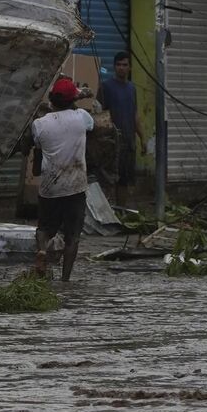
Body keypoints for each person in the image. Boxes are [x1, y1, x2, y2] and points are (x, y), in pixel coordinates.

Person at [30, 78, 95, 282]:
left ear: (51, 100)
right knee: (72, 236)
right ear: (72, 100)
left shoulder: (39, 125)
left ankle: (42, 250)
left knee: (44, 229)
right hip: (75, 187)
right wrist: (79, 96)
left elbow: (37, 152)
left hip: (50, 188)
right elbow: (92, 127)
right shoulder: (82, 117)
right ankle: (65, 280)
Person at [100, 52, 142, 203]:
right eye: (118, 65)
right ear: (114, 67)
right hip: (111, 142)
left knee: (124, 180)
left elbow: (135, 113)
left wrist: (142, 138)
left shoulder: (132, 88)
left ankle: (121, 213)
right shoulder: (106, 87)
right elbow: (100, 115)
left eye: (124, 65)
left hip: (128, 141)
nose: (121, 68)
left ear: (130, 68)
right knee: (109, 179)